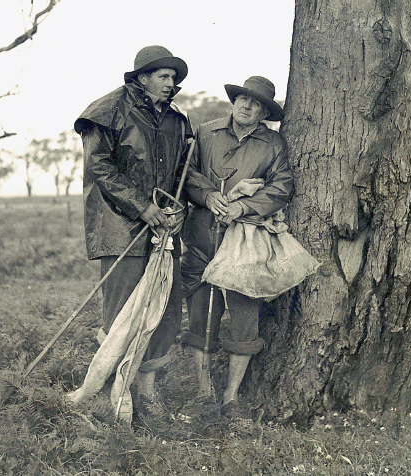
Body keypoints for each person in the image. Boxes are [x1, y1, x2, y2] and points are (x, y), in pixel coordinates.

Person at [71, 46, 193, 418]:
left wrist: (173, 211)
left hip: (164, 230)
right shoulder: (107, 111)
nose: (170, 84)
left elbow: (179, 174)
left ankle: (145, 391)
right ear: (142, 77)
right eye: (163, 77)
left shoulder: (176, 121)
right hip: (119, 228)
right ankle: (108, 392)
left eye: (174, 78)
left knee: (164, 308)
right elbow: (100, 168)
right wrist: (142, 207)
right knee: (122, 311)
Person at [179, 76, 294, 418]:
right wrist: (208, 195)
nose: (247, 106)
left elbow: (282, 186)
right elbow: (187, 173)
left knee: (245, 315)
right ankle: (203, 392)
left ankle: (230, 397)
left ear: (264, 112)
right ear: (235, 100)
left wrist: (243, 206)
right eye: (243, 99)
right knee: (200, 313)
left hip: (245, 243)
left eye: (256, 103)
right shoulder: (206, 132)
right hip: (201, 237)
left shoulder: (273, 144)